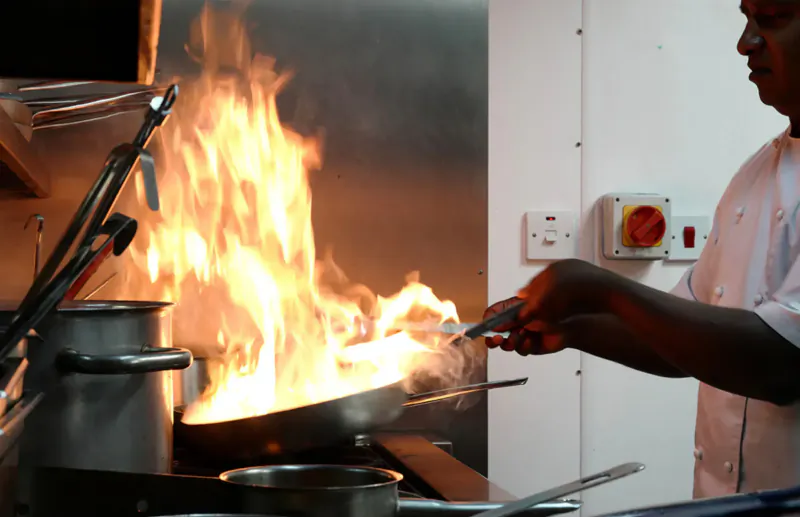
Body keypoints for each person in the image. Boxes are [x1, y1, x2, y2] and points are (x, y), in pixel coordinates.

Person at [484, 0, 800, 500]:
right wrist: (571, 328)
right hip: (724, 505)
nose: (746, 41)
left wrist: (603, 290)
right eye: (746, 19)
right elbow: (687, 338)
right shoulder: (756, 173)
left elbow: (783, 362)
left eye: (774, 17)